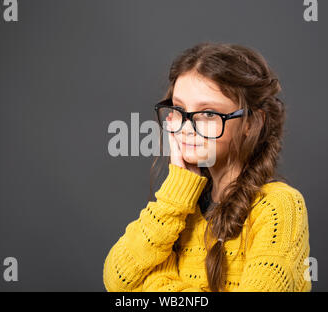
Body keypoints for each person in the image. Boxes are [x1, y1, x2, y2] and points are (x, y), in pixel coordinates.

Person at [103, 42, 311, 292]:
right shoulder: (178, 210)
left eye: (209, 113)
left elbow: (136, 287)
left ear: (251, 123)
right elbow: (117, 278)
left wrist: (155, 285)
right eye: (179, 109)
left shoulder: (278, 207)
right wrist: (176, 195)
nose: (187, 127)